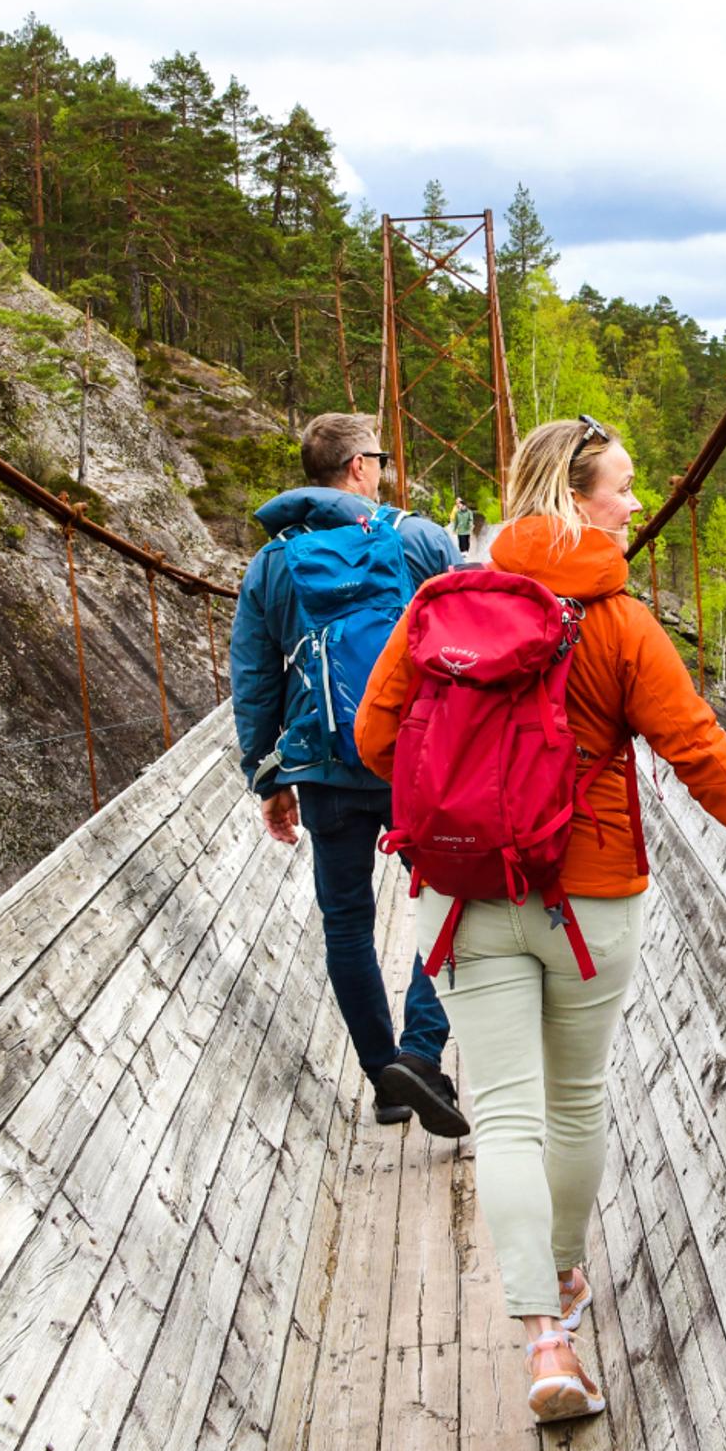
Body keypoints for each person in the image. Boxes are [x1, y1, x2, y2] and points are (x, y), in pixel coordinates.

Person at [355, 415, 726, 1424]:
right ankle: (559, 1278)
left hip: (459, 898)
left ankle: (543, 1344)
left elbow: (376, 741)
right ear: (577, 492)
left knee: (504, 1113)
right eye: (624, 487)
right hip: (588, 893)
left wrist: (467, 800)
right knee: (574, 1101)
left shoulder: (435, 604)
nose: (637, 504)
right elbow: (701, 755)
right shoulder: (619, 620)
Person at [230, 411, 472, 1137]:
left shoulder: (273, 564)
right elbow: (473, 626)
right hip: (416, 757)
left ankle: (385, 1077)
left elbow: (253, 677)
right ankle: (423, 1053)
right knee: (454, 901)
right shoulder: (417, 539)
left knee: (347, 922)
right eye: (381, 456)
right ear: (361, 468)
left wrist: (266, 777)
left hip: (326, 768)